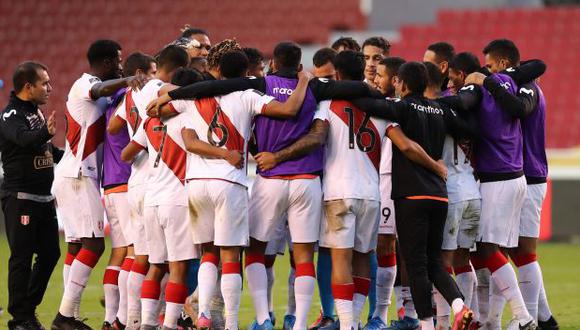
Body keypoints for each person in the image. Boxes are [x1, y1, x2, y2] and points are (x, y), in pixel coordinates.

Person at [351, 62, 476, 330]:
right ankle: (459, 306)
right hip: (439, 196)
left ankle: (426, 324)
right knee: (434, 262)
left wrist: (360, 86)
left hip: (411, 196)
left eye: (396, 82)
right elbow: (467, 130)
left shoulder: (403, 107)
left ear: (403, 85)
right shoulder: (441, 109)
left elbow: (366, 103)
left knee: (416, 264)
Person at [51, 39, 145, 330]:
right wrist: (130, 78)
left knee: (78, 246)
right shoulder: (85, 84)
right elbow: (99, 90)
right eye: (118, 61)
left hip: (75, 174)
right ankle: (65, 316)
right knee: (94, 244)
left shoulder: (101, 93)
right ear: (106, 62)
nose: (120, 65)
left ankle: (71, 315)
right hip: (80, 174)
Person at [465, 39, 556, 329]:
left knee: (522, 252)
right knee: (506, 252)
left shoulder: (526, 88)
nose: (488, 71)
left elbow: (520, 106)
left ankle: (528, 317)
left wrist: (489, 81)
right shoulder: (512, 83)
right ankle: (543, 318)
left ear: (504, 64)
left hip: (527, 175)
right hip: (521, 175)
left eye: (491, 65)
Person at [0, 61, 60, 330]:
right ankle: (20, 319)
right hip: (21, 196)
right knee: (21, 258)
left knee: (50, 254)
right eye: (44, 83)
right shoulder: (11, 115)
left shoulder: (35, 112)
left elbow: (47, 150)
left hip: (43, 198)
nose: (50, 88)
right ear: (28, 87)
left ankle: (28, 308)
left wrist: (74, 156)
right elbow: (24, 139)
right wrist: (45, 132)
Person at [101, 51, 157, 330]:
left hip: (121, 181)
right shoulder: (148, 93)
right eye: (153, 71)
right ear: (142, 73)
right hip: (136, 177)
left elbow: (112, 127)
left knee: (126, 252)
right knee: (142, 256)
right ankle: (129, 318)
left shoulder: (124, 97)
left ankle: (117, 318)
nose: (156, 76)